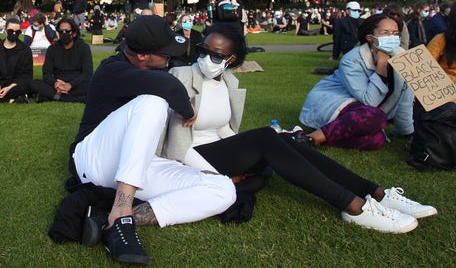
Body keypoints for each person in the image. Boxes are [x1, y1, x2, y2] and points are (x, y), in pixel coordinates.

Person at [165, 23, 435, 233]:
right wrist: (213, 176)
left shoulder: (229, 83)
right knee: (266, 138)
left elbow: (225, 131)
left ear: (232, 59)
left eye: (216, 54)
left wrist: (244, 153)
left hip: (220, 152)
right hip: (194, 159)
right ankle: (354, 206)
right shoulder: (181, 77)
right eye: (203, 51)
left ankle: (375, 193)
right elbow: (176, 144)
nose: (206, 58)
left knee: (287, 140)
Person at [69, 15, 235, 265]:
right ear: (142, 56)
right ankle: (122, 207)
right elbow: (168, 87)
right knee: (152, 101)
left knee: (224, 189)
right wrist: (188, 111)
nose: (170, 57)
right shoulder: (111, 69)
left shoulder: (150, 66)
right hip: (91, 158)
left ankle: (112, 220)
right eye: (165, 52)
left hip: (136, 164)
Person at [300, 14, 415, 150]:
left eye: (395, 33)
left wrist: (406, 130)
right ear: (369, 37)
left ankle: (315, 139)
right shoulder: (352, 60)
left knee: (377, 139)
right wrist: (381, 65)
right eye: (385, 33)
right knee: (376, 116)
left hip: (365, 110)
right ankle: (311, 137)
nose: (392, 37)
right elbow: (369, 101)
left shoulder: (402, 56)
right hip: (335, 102)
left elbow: (405, 99)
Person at [31, 18, 92, 103]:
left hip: (77, 83)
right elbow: (46, 73)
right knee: (34, 83)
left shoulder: (84, 47)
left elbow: (87, 73)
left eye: (67, 31)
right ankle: (72, 98)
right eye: (61, 31)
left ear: (74, 33)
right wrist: (55, 84)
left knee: (95, 84)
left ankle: (54, 96)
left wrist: (70, 85)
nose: (64, 34)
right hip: (57, 83)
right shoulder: (52, 49)